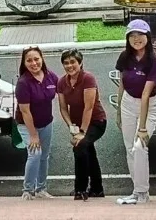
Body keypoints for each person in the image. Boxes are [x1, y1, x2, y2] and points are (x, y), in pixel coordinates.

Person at [114, 19, 156, 206]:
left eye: (140, 35)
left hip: (148, 105)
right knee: (129, 148)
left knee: (139, 146)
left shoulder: (155, 60)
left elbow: (145, 94)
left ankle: (142, 193)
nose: (137, 39)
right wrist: (119, 112)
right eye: (132, 35)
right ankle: (137, 191)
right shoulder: (125, 57)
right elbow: (122, 84)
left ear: (148, 37)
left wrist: (142, 127)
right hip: (128, 103)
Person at [56, 48, 107, 201]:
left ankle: (80, 189)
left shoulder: (88, 78)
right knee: (88, 151)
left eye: (73, 62)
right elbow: (63, 108)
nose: (69, 66)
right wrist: (72, 127)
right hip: (77, 124)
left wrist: (82, 132)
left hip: (96, 122)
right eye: (66, 63)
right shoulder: (62, 82)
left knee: (80, 147)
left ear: (80, 63)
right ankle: (97, 189)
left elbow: (88, 107)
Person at [15, 45, 59, 200]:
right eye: (29, 60)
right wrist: (33, 135)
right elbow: (25, 111)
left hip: (46, 123)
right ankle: (27, 190)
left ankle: (41, 189)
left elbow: (62, 90)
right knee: (35, 154)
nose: (33, 63)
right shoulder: (23, 83)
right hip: (27, 125)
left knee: (44, 156)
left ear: (42, 59)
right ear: (24, 63)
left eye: (36, 59)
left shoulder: (50, 76)